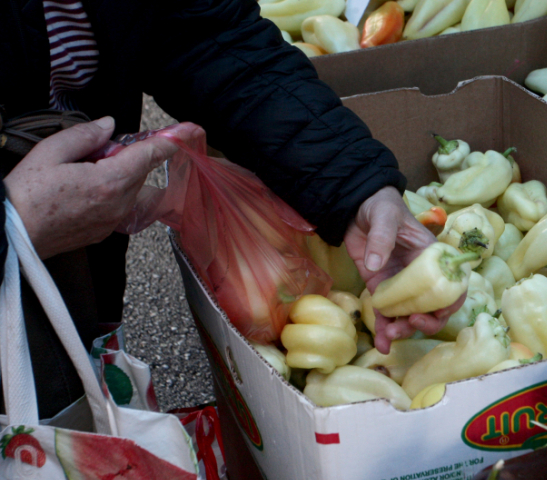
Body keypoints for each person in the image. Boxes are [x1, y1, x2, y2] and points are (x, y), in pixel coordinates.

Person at [0, 0, 462, 418]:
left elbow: (205, 35)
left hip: (75, 248)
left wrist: (355, 185)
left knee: (55, 440)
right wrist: (14, 222)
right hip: (33, 231)